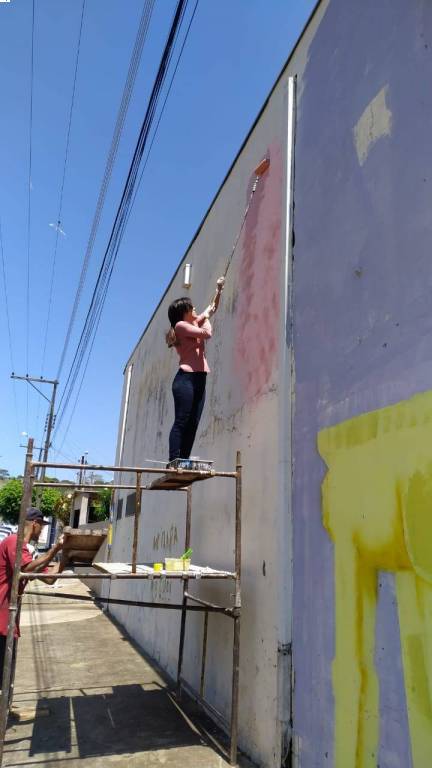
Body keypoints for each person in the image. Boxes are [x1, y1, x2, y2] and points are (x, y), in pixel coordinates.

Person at [0, 507, 64, 689]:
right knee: (2, 675)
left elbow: (50, 578)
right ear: (34, 524)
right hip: (1, 618)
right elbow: (25, 569)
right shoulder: (14, 542)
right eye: (41, 526)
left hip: (8, 620)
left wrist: (66, 556)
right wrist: (55, 548)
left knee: (5, 676)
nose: (42, 530)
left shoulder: (27, 552)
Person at [166, 276, 225, 462]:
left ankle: (184, 459)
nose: (195, 309)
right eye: (191, 308)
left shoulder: (193, 323)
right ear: (184, 312)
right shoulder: (180, 326)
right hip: (185, 379)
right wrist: (205, 318)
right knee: (182, 420)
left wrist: (218, 289)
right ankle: (174, 460)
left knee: (194, 422)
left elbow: (212, 308)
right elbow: (207, 333)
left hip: (200, 378)